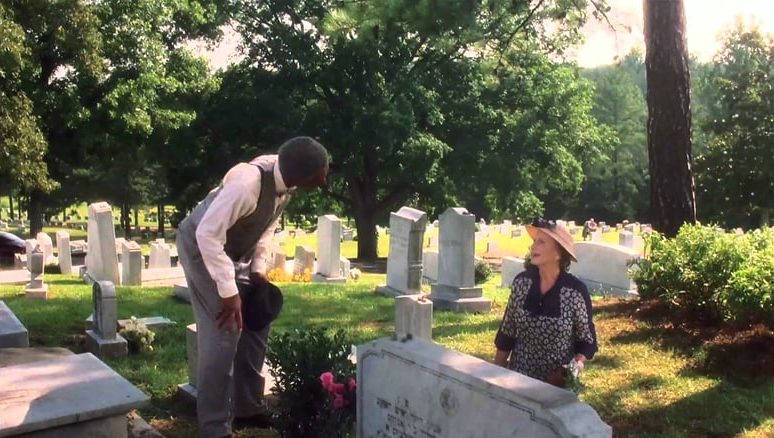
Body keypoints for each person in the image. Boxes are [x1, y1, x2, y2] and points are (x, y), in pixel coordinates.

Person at [176, 136, 329, 438]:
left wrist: (258, 270)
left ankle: (248, 407)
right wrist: (229, 293)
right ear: (305, 174)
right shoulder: (247, 184)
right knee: (224, 332)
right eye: (322, 174)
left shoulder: (286, 181)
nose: (325, 180)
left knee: (258, 319)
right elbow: (208, 234)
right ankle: (215, 426)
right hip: (200, 247)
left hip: (234, 251)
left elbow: (266, 227)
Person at [494, 218, 597, 387]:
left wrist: (571, 371)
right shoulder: (522, 283)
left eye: (541, 242)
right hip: (518, 383)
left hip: (556, 387)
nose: (533, 246)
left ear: (558, 253)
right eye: (534, 241)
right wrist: (495, 377)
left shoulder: (575, 292)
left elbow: (586, 342)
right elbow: (507, 332)